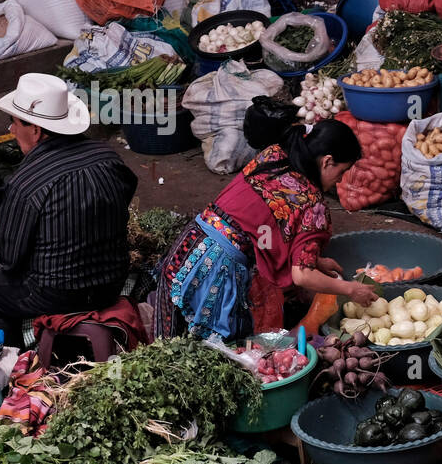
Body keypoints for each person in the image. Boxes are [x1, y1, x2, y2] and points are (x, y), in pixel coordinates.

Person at [154, 114, 379, 342]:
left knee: (168, 342)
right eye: (341, 172)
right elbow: (302, 275)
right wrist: (351, 290)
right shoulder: (312, 205)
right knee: (214, 349)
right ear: (327, 161)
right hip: (217, 268)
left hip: (189, 245)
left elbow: (264, 225)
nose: (339, 181)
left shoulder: (273, 156)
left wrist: (316, 260)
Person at [0, 72, 138, 348]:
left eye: (15, 123)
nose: (12, 131)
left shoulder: (26, 183)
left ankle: (15, 363)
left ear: (36, 131)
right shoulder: (108, 157)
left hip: (59, 294)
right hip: (113, 281)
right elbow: (124, 196)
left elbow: (11, 259)